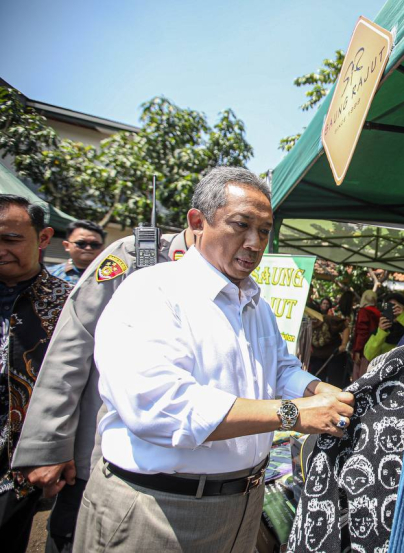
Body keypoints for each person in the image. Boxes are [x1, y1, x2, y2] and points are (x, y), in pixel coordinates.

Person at [74, 167, 354, 552]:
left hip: (241, 507)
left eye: (265, 231)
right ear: (197, 222)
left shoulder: (256, 305)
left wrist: (319, 390)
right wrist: (294, 413)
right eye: (241, 225)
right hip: (159, 510)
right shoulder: (153, 291)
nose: (255, 243)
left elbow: (279, 369)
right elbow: (163, 407)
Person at [12, 224, 192, 553]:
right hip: (96, 455)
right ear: (199, 219)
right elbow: (72, 347)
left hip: (171, 470)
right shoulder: (135, 256)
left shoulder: (227, 275)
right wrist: (49, 446)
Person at [0, 195, 73, 553]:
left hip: (16, 474)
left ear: (44, 238)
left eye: (10, 239)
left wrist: (57, 450)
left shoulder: (70, 304)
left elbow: (81, 386)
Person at [47, 220, 106, 285]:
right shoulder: (50, 275)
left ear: (103, 247)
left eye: (95, 244)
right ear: (67, 245)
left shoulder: (112, 277)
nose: (88, 248)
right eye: (81, 243)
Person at [364, 292, 404, 361]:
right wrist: (381, 332)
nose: (393, 311)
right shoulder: (381, 331)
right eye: (389, 307)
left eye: (396, 307)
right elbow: (369, 355)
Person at [351, 289, 381, 380]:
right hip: (375, 349)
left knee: (360, 379)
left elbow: (362, 332)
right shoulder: (379, 313)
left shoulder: (364, 312)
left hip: (364, 352)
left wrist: (357, 351)